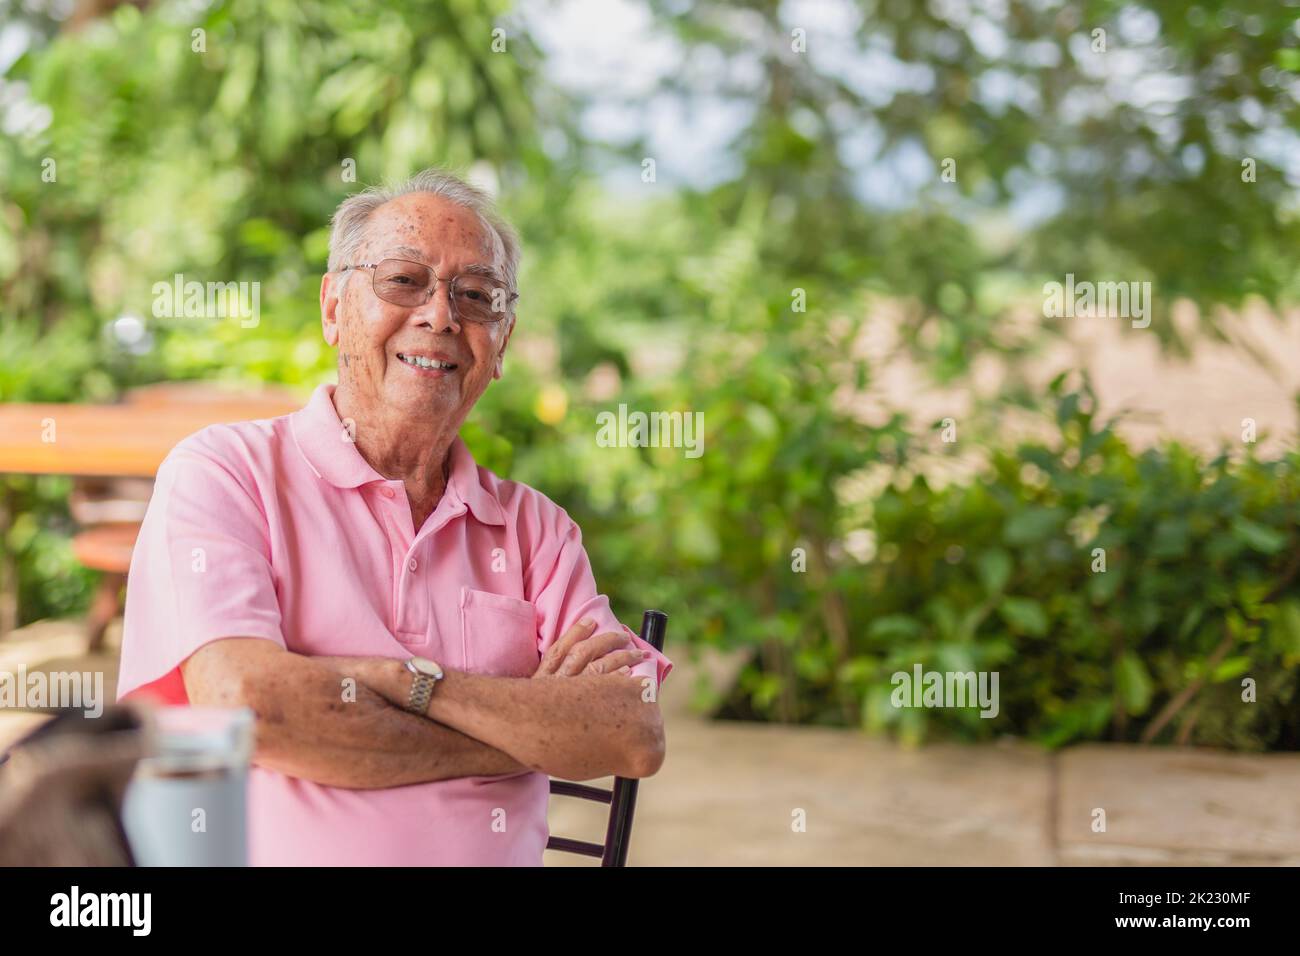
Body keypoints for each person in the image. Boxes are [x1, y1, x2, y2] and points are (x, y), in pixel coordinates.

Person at [116, 168, 671, 866]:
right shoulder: (225, 473)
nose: (441, 316)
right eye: (404, 280)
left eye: (477, 296)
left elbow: (631, 730)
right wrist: (526, 725)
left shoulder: (538, 531)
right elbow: (250, 704)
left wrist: (411, 683)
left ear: (500, 342)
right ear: (332, 308)